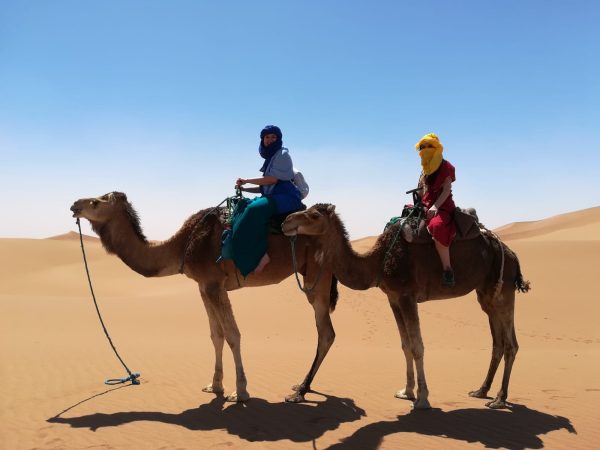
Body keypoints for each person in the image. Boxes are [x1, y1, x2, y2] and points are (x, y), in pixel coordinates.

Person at [232, 125, 303, 276]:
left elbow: (271, 180)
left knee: (253, 210)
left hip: (287, 198)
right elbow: (265, 187)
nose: (270, 140)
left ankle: (261, 255)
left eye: (273, 137)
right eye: (267, 137)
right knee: (244, 205)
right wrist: (244, 189)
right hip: (274, 196)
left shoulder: (282, 154)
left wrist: (247, 180)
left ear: (278, 139)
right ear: (262, 140)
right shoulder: (271, 158)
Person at [415, 133, 457, 287]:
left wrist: (435, 206)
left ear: (437, 148)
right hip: (426, 205)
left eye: (429, 146)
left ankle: (447, 269)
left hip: (443, 206)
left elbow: (446, 190)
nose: (425, 150)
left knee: (436, 226)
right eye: (422, 147)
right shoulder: (425, 169)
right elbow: (422, 191)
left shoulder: (446, 167)